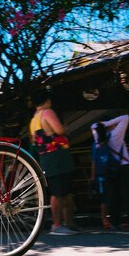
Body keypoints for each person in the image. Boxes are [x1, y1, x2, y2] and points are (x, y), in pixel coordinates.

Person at [29, 89, 77, 235]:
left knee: (59, 190)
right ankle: (58, 225)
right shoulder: (47, 112)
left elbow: (34, 140)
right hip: (58, 156)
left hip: (46, 158)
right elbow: (59, 130)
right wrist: (65, 128)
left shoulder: (34, 119)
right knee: (60, 192)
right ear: (47, 100)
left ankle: (66, 223)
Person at [91, 115, 129, 230]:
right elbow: (125, 117)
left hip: (109, 168)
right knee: (128, 194)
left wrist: (103, 124)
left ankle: (115, 221)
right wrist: (109, 122)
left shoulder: (98, 138)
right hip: (124, 166)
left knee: (113, 195)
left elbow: (94, 126)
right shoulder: (116, 135)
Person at [88, 125, 112, 230]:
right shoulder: (108, 141)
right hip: (106, 173)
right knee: (106, 197)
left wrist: (92, 176)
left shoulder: (95, 145)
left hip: (100, 174)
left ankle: (104, 218)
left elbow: (93, 161)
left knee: (104, 197)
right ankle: (105, 218)